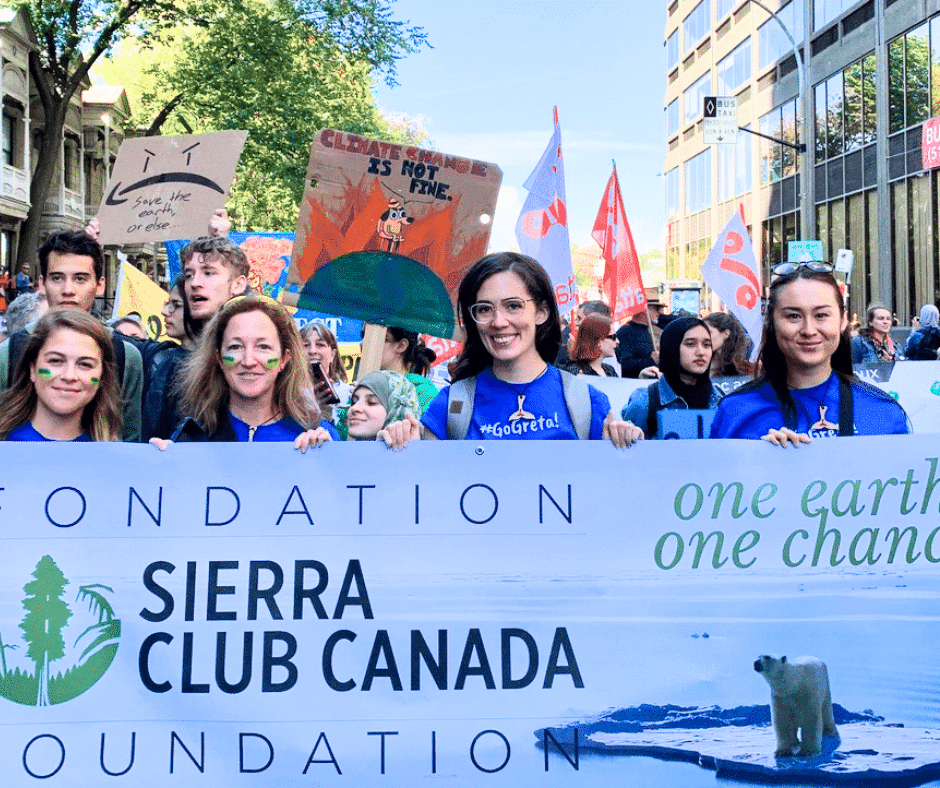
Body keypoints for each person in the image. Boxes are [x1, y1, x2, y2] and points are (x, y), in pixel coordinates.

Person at [421, 251, 642, 445]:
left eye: (513, 306)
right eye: (484, 309)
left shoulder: (587, 402)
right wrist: (398, 447)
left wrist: (626, 446)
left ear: (542, 312)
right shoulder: (449, 406)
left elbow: (607, 484)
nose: (498, 322)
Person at [710, 263, 909, 445]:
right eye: (793, 316)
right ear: (771, 323)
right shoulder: (734, 412)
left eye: (821, 315)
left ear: (842, 320)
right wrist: (759, 460)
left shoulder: (884, 412)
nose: (809, 330)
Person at [0, 230, 143, 441]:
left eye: (80, 279)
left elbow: (131, 440)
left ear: (100, 284)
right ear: (41, 284)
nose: (68, 290)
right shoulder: (8, 352)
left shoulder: (126, 356)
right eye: (57, 278)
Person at [164, 295, 336, 449]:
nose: (248, 361)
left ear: (284, 359)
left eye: (263, 347)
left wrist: (327, 460)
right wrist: (160, 464)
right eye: (235, 347)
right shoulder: (191, 439)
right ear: (219, 359)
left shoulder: (318, 433)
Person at [0, 310, 122, 441]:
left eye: (85, 364)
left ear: (102, 377)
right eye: (56, 361)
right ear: (33, 369)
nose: (69, 376)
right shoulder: (6, 444)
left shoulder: (114, 455)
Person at [623, 316, 722, 439]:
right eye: (690, 344)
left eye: (707, 345)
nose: (701, 352)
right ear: (672, 348)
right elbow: (630, 454)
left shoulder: (721, 400)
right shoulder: (644, 402)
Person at [346, 370, 422, 445]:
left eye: (371, 402)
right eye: (354, 402)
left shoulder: (420, 454)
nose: (354, 408)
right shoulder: (339, 452)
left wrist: (411, 449)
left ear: (395, 409)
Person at [300, 320, 352, 422]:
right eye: (306, 345)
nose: (312, 351)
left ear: (333, 354)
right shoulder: (288, 395)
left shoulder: (348, 393)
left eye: (320, 345)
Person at [379, 326, 438, 414]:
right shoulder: (363, 385)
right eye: (364, 335)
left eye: (382, 338)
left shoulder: (423, 392)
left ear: (401, 346)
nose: (362, 343)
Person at [555, 299, 611, 367]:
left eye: (579, 319)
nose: (576, 323)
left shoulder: (608, 351)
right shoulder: (566, 345)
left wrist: (573, 357)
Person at [615, 302, 662, 378]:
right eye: (656, 309)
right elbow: (622, 364)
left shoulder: (649, 330)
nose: (658, 312)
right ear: (643, 311)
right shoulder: (625, 332)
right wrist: (651, 360)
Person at [564, 312, 619, 377]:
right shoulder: (577, 372)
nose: (617, 341)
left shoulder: (610, 370)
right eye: (613, 337)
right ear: (598, 341)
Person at [704, 312, 754, 377]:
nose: (703, 337)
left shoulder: (746, 368)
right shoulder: (695, 366)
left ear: (726, 334)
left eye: (709, 332)